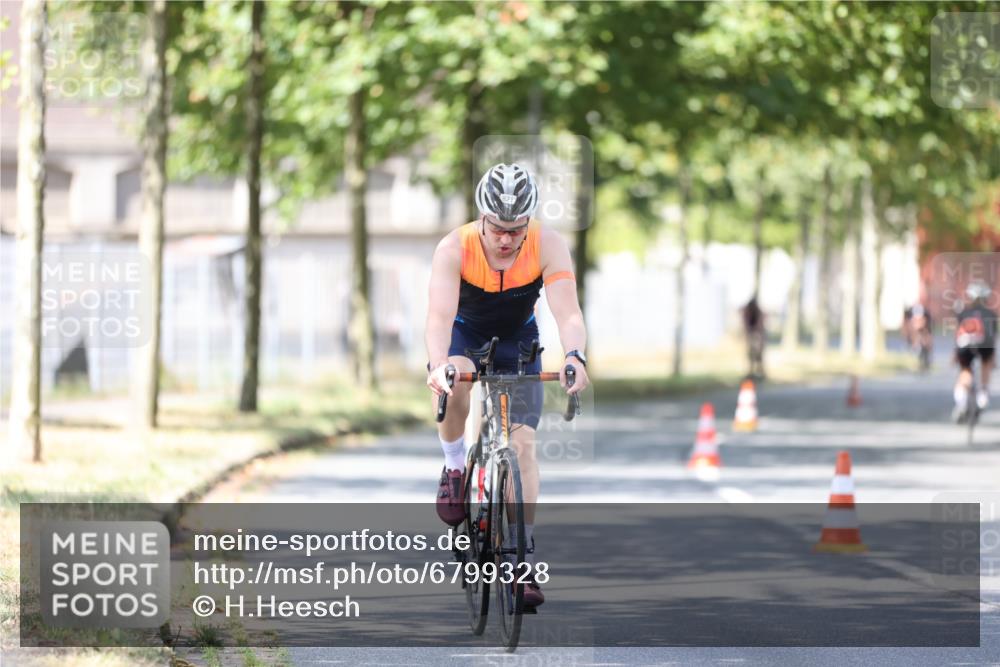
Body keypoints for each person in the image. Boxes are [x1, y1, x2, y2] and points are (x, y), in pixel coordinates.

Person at [424, 163, 589, 608]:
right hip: (465, 336)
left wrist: (574, 356)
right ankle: (455, 467)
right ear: (483, 218)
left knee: (523, 447)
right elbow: (439, 318)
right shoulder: (453, 248)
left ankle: (519, 556)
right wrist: (439, 365)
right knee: (455, 382)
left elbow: (568, 314)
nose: (506, 239)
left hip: (519, 341)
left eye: (516, 230)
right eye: (497, 228)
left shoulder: (547, 244)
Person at [952, 281, 997, 422]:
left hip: (965, 345)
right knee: (986, 365)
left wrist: (954, 355)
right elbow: (992, 337)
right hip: (985, 345)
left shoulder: (964, 313)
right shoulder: (991, 314)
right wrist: (992, 359)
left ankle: (962, 402)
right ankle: (982, 395)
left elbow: (957, 335)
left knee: (965, 371)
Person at [741, 295, 765, 379]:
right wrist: (748, 333)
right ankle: (751, 371)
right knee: (751, 353)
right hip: (752, 333)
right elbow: (745, 322)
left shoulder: (758, 311)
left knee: (758, 354)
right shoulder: (747, 311)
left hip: (757, 333)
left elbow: (760, 323)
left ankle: (760, 371)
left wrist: (758, 334)